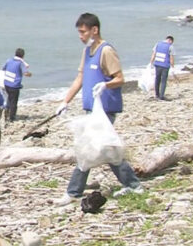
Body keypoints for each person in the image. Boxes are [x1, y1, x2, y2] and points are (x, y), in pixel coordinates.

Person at [53, 13, 144, 205]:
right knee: (105, 149)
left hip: (105, 110)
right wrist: (65, 101)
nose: (80, 36)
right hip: (92, 110)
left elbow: (120, 78)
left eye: (83, 32)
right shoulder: (87, 52)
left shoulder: (106, 51)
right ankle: (133, 185)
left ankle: (74, 192)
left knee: (90, 149)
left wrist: (106, 85)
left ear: (94, 30)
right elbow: (80, 78)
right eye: (79, 32)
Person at [1, 48, 32, 121]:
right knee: (14, 102)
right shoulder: (20, 63)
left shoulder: (9, 60)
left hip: (6, 83)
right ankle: (12, 117)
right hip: (14, 86)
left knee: (9, 98)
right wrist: (30, 74)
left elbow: (3, 69)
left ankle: (7, 111)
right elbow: (25, 73)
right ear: (23, 56)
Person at [149, 36, 175, 100]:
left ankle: (157, 94)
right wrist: (172, 67)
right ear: (170, 41)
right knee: (163, 81)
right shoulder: (170, 46)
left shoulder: (157, 44)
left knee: (157, 79)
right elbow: (171, 58)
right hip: (165, 65)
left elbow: (153, 54)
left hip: (157, 64)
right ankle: (162, 96)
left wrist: (151, 63)